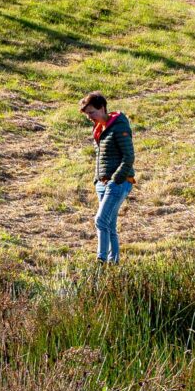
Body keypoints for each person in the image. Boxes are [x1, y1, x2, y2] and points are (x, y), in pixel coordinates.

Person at [82, 92, 134, 264]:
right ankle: (114, 263)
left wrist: (116, 178)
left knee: (100, 220)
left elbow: (129, 156)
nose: (89, 117)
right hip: (102, 183)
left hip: (117, 183)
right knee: (109, 225)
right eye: (87, 114)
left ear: (102, 108)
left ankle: (101, 260)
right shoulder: (99, 128)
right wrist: (98, 180)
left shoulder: (119, 126)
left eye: (92, 112)